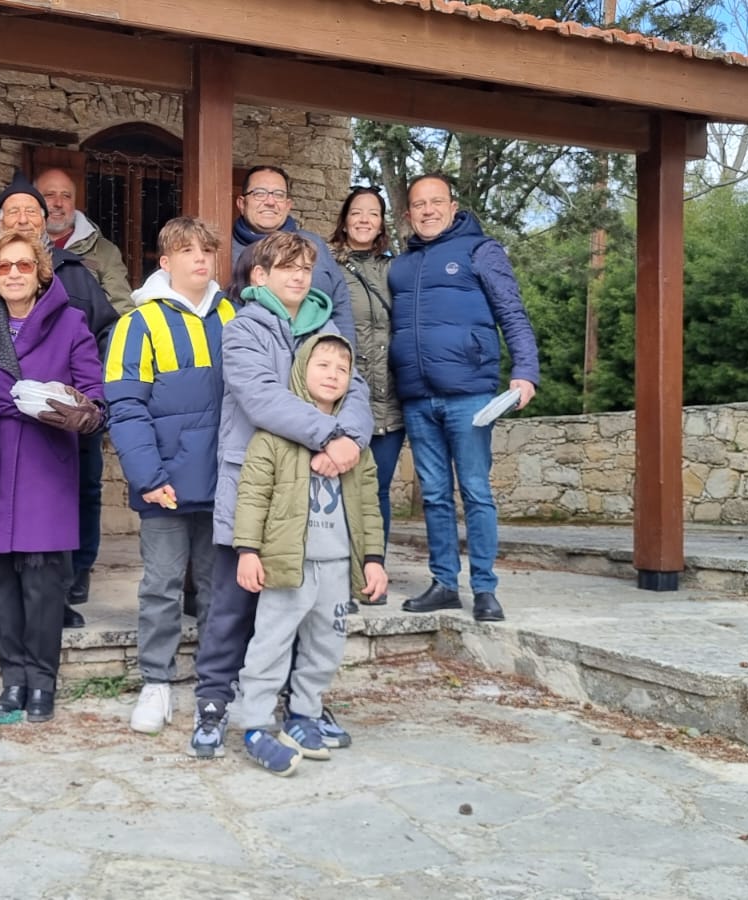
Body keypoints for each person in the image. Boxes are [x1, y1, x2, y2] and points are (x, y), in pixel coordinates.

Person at [190, 230, 373, 759]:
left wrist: (352, 441)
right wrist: (331, 436)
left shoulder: (325, 327)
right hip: (257, 489)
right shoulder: (243, 328)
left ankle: (300, 707)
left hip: (315, 493)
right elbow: (261, 397)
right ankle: (213, 703)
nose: (299, 276)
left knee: (302, 608)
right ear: (260, 276)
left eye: (306, 268)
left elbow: (356, 390)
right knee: (233, 605)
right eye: (287, 267)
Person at [0, 230, 105, 724]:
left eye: (24, 265)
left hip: (48, 463)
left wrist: (78, 409)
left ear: (41, 274)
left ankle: (43, 682)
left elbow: (95, 395)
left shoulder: (71, 323)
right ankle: (13, 680)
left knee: (44, 583)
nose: (14, 274)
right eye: (4, 266)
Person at [230, 334, 387, 775]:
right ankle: (256, 725)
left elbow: (369, 506)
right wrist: (248, 550)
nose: (333, 375)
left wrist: (373, 559)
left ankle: (304, 715)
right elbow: (253, 496)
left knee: (326, 646)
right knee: (271, 644)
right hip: (287, 565)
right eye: (322, 365)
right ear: (301, 371)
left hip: (337, 566)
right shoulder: (274, 436)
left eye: (342, 369)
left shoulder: (355, 447)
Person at [390, 173, 539, 623]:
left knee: (475, 491)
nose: (428, 210)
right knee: (435, 496)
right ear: (408, 213)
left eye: (436, 202)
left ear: (453, 208)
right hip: (417, 397)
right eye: (419, 204)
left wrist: (525, 371)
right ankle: (444, 584)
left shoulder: (481, 251)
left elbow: (512, 312)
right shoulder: (400, 266)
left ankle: (485, 589)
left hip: (470, 395)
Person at [105, 217, 233, 736]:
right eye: (186, 250)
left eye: (207, 250)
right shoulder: (138, 323)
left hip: (224, 482)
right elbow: (126, 407)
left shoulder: (235, 315)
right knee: (161, 585)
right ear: (165, 262)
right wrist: (147, 476)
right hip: (165, 485)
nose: (200, 258)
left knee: (218, 586)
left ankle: (216, 682)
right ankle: (156, 682)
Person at [0, 172, 120, 628]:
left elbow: (106, 329)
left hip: (66, 413)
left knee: (71, 497)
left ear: (45, 220)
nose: (23, 218)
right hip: (1, 418)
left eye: (32, 211)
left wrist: (90, 393)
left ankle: (67, 585)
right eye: (14, 211)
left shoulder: (75, 271)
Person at [330, 186, 402, 605]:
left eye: (372, 213)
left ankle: (372, 576)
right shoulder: (329, 266)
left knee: (377, 491)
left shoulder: (395, 270)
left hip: (390, 398)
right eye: (356, 212)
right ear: (344, 219)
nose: (363, 219)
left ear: (381, 223)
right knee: (340, 488)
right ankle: (336, 575)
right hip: (346, 398)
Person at [230, 165, 356, 349]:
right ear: (242, 203)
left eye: (278, 194)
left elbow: (341, 305)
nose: (270, 201)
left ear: (288, 205)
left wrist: (345, 354)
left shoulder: (315, 246)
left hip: (320, 357)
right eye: (259, 193)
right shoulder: (223, 250)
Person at [34, 167, 133, 314]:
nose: (58, 203)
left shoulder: (105, 252)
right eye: (50, 195)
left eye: (66, 196)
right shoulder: (16, 245)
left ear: (75, 203)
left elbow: (121, 307)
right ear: (33, 201)